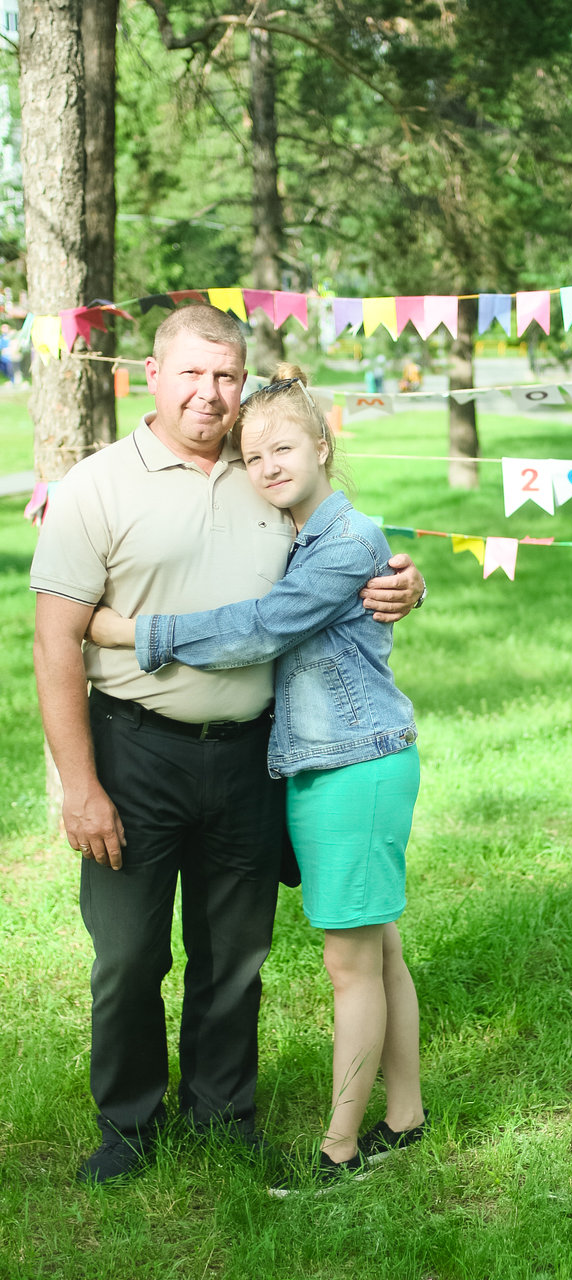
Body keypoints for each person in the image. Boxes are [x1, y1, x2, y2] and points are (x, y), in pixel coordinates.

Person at [29, 306, 425, 1186]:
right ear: (151, 375)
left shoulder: (263, 472)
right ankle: (128, 1128)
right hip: (134, 750)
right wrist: (79, 785)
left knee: (236, 954)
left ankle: (222, 1115)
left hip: (253, 754)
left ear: (242, 382)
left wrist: (403, 580)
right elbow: (54, 642)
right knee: (128, 954)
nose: (209, 393)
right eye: (192, 373)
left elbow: (333, 562)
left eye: (225, 375)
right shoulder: (98, 486)